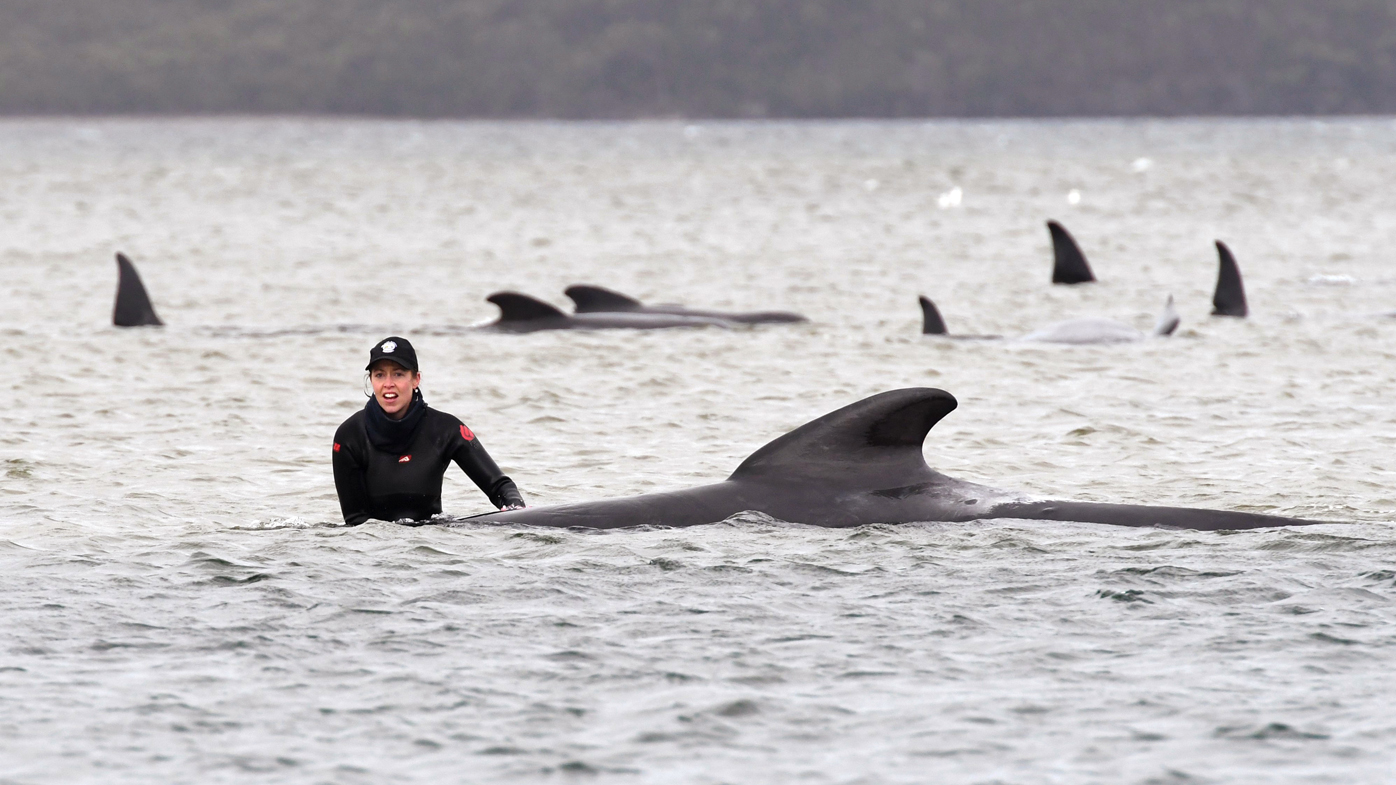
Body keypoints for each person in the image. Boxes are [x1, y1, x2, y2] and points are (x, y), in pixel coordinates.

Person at [332, 336, 525, 524]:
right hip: (375, 550)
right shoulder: (349, 436)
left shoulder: (445, 429)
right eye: (379, 375)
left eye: (398, 374)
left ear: (416, 379)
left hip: (431, 544)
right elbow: (355, 521)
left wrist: (517, 510)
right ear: (371, 380)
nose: (388, 384)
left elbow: (500, 486)